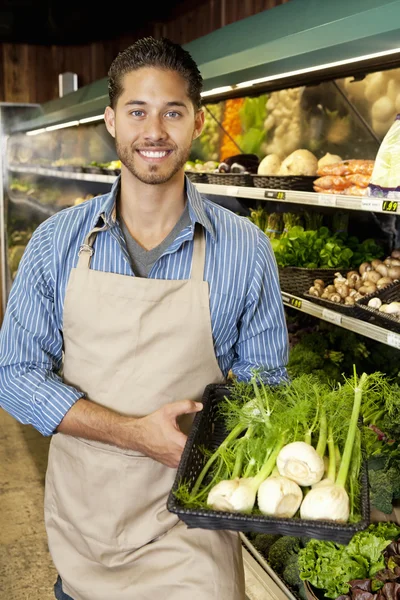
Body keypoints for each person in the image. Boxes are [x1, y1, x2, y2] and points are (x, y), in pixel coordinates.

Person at [0, 36, 289, 600]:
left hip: (193, 525)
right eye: (138, 111)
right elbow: (14, 375)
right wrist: (135, 435)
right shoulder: (56, 242)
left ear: (198, 123)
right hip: (87, 527)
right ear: (111, 120)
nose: (154, 131)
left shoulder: (245, 249)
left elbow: (266, 386)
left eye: (172, 112)